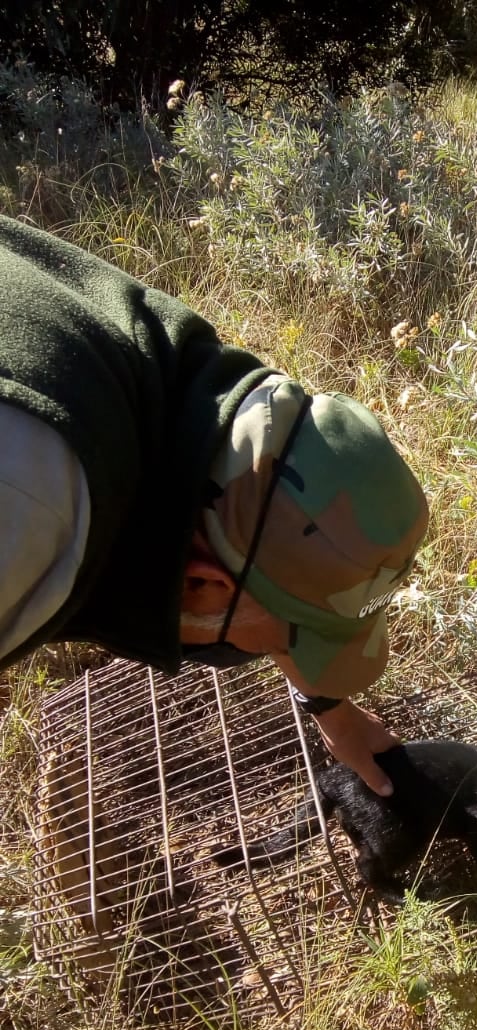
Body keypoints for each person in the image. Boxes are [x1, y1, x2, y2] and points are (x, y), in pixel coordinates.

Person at [0, 214, 429, 797]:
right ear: (203, 584)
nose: (271, 654)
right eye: (279, 642)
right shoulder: (26, 518)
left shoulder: (180, 390)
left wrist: (330, 707)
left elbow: (253, 550)